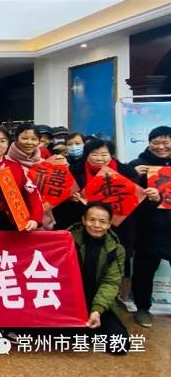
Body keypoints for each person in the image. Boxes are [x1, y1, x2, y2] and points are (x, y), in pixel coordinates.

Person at [69, 139, 153, 295]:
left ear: (112, 155)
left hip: (120, 228)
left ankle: (115, 296)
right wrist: (74, 200)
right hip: (87, 226)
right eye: (94, 154)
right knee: (85, 261)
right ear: (87, 155)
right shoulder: (74, 171)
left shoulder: (127, 172)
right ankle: (81, 294)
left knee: (116, 263)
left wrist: (151, 197)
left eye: (104, 154)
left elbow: (137, 202)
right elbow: (64, 203)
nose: (100, 158)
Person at [68, 202, 129, 355]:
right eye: (91, 219)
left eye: (102, 221)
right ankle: (84, 332)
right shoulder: (65, 240)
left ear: (109, 224)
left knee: (120, 345)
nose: (96, 225)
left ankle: (89, 328)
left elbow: (111, 283)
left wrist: (97, 310)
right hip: (68, 303)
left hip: (98, 304)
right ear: (83, 220)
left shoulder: (117, 250)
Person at [129, 126, 170, 328]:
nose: (161, 146)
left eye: (166, 142)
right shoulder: (138, 164)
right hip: (148, 228)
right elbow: (124, 193)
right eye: (156, 142)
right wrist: (134, 176)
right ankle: (142, 308)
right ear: (149, 142)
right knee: (144, 271)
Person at [5, 123, 67, 230]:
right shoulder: (5, 162)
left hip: (42, 219)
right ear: (16, 139)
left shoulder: (45, 164)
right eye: (24, 138)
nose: (29, 142)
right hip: (12, 220)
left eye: (34, 139)